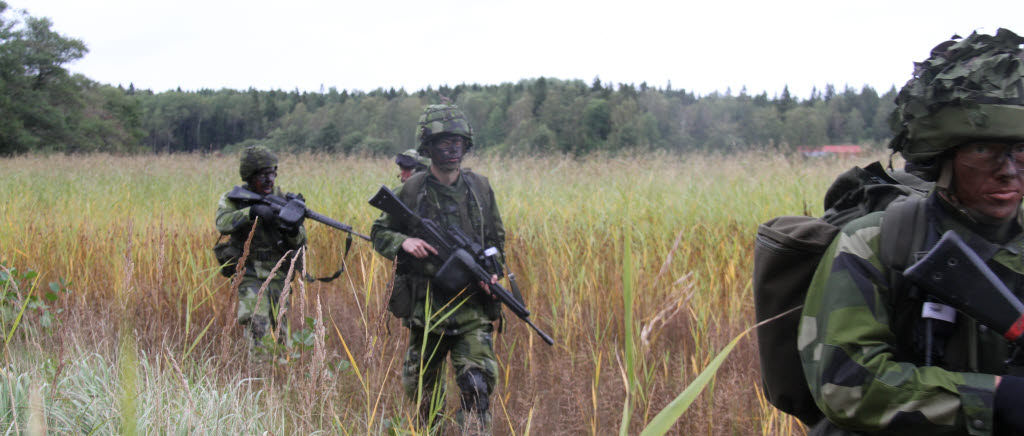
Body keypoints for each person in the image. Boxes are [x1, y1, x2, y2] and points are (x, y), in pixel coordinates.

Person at [799, 29, 1024, 435]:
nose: (1008, 170)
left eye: (1020, 151)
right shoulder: (878, 242)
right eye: (982, 150)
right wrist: (992, 398)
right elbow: (846, 385)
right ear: (944, 160)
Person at [371, 103, 505, 434]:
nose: (452, 148)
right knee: (425, 398)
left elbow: (494, 241)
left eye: (457, 141)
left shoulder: (480, 189)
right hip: (427, 311)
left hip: (471, 309)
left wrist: (493, 271)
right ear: (428, 147)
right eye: (444, 142)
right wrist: (403, 243)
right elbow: (379, 231)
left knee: (477, 387)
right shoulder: (413, 189)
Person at [216, 145, 306, 350]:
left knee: (281, 330)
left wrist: (292, 229)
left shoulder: (283, 200)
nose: (269, 180)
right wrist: (251, 212)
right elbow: (222, 222)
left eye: (272, 174)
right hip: (249, 272)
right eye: (262, 175)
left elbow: (300, 239)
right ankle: (257, 375)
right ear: (249, 176)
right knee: (257, 323)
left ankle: (282, 373)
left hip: (278, 273)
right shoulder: (235, 199)